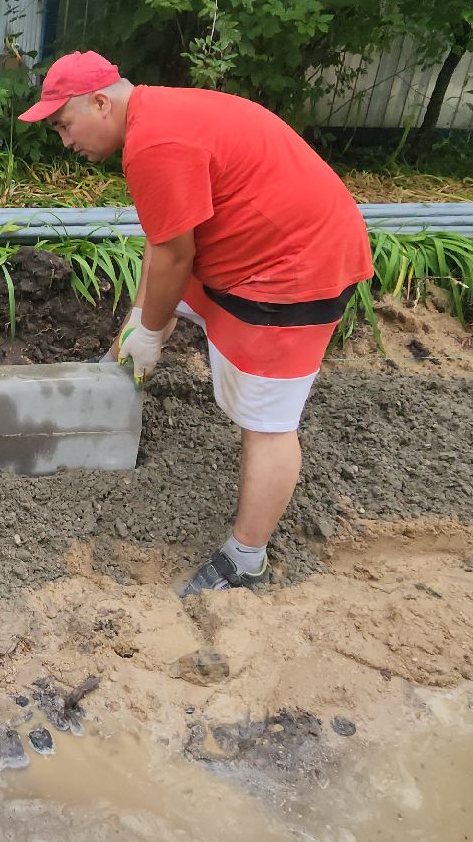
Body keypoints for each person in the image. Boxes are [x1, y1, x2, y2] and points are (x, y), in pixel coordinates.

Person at [18, 51, 370, 594]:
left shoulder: (155, 146)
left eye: (64, 126)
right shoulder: (156, 117)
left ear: (99, 102)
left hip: (296, 269)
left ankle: (245, 560)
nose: (65, 142)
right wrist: (139, 325)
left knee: (268, 419)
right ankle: (110, 384)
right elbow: (163, 247)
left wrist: (153, 333)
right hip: (260, 246)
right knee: (156, 314)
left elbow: (178, 258)